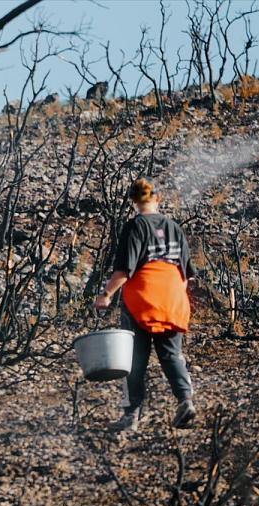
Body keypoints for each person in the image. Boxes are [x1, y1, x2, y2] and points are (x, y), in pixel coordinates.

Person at [95, 178, 197, 431]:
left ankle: (131, 416)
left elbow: (125, 270)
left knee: (135, 358)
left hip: (142, 297)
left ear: (133, 201)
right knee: (172, 355)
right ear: (158, 198)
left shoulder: (135, 226)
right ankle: (185, 401)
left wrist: (106, 295)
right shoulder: (174, 227)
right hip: (173, 297)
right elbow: (188, 275)